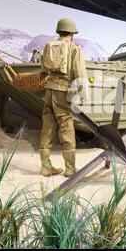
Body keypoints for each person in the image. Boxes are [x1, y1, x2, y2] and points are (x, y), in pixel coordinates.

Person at [39, 18, 87, 177]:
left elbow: (43, 68)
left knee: (47, 126)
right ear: (72, 33)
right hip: (63, 92)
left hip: (49, 90)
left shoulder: (48, 46)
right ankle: (70, 169)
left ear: (59, 31)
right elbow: (79, 74)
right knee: (66, 127)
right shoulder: (75, 49)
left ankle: (45, 167)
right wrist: (83, 95)